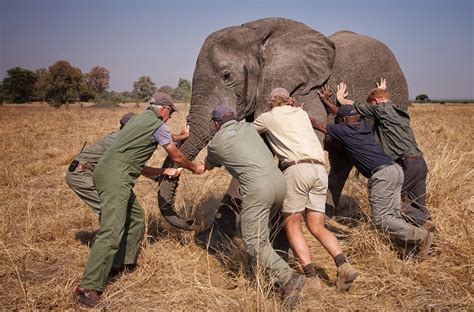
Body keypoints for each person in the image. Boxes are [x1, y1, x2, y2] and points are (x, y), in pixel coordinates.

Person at [75, 92, 205, 308]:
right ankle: (86, 288)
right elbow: (176, 156)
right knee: (112, 230)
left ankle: (122, 263)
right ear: (164, 108)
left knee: (136, 217)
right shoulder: (156, 124)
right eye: (170, 113)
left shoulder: (141, 119)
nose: (169, 117)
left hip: (112, 172)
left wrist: (181, 137)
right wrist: (194, 167)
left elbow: (164, 136)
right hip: (116, 177)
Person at [253, 88, 358, 291]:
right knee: (317, 226)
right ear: (289, 101)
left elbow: (248, 132)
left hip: (296, 169)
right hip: (319, 170)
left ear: (271, 102)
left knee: (293, 224)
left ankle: (311, 277)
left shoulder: (268, 117)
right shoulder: (301, 113)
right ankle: (343, 265)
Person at [204, 102, 306, 310]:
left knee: (252, 240)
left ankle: (289, 278)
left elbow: (206, 165)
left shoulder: (216, 143)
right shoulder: (250, 128)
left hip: (258, 189)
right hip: (279, 183)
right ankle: (267, 274)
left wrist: (189, 167)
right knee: (263, 232)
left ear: (216, 124)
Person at [312, 84, 434, 258]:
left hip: (384, 173)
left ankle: (421, 236)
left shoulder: (344, 131)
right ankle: (410, 247)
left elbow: (318, 124)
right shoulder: (363, 126)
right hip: (396, 168)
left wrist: (297, 111)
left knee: (382, 218)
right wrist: (329, 102)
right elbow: (347, 114)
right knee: (393, 213)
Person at [66, 112, 184, 217]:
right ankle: (110, 240)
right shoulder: (118, 141)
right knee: (111, 211)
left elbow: (157, 136)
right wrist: (164, 172)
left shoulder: (125, 137)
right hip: (81, 174)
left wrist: (181, 136)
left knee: (118, 210)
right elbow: (137, 167)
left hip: (93, 173)